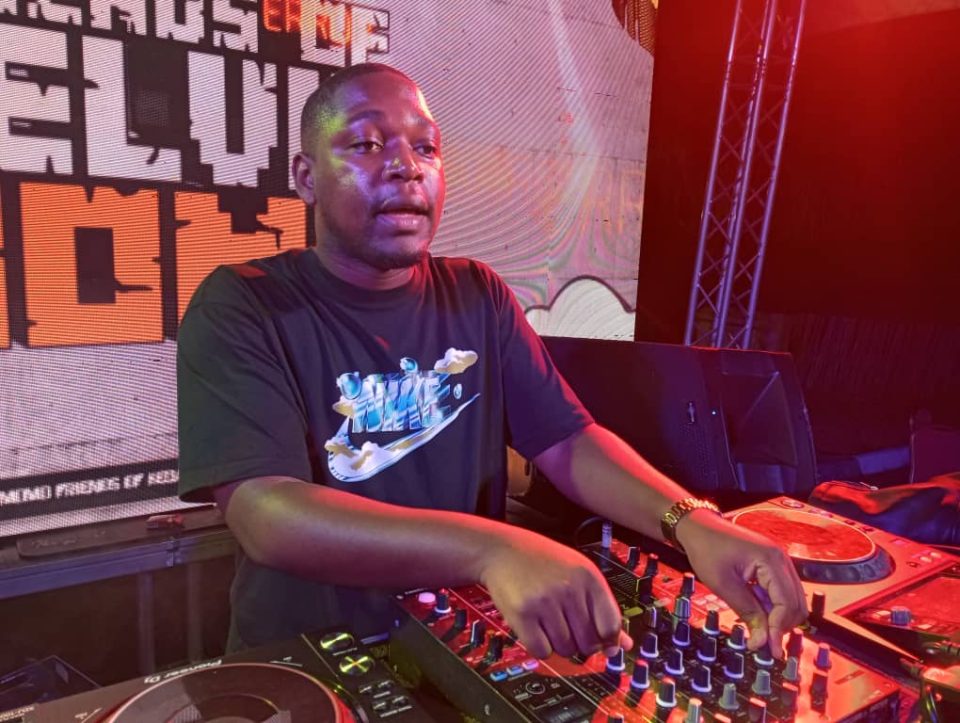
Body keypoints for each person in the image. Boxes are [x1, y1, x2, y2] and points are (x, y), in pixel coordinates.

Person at [177, 63, 807, 659]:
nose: (406, 167)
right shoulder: (243, 303)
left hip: (457, 647)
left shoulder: (477, 293)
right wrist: (493, 550)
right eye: (367, 144)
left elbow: (567, 441)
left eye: (426, 147)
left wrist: (690, 522)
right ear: (306, 177)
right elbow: (266, 511)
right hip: (313, 662)